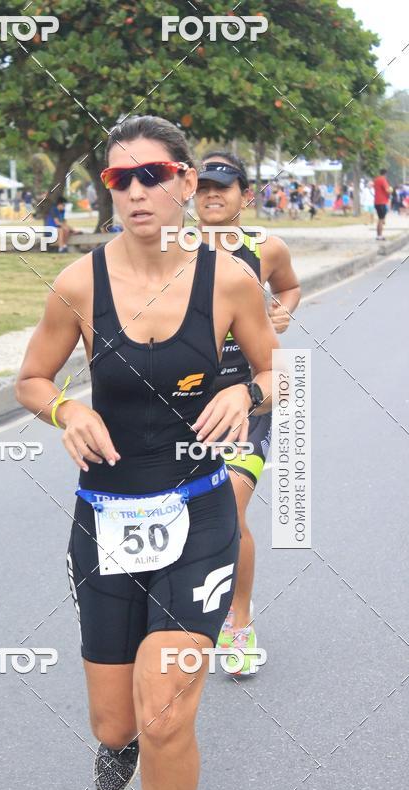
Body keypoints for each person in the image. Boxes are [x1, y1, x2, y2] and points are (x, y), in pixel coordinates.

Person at [16, 116, 278, 790]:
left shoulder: (229, 280)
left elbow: (278, 375)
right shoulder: (78, 284)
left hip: (198, 515)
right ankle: (117, 745)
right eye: (118, 179)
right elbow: (31, 379)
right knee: (117, 723)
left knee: (165, 711)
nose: (136, 191)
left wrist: (246, 390)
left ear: (187, 185)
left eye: (154, 174)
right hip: (106, 518)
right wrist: (67, 410)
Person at [194, 151, 301, 673]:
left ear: (244, 195)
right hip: (182, 401)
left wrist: (273, 322)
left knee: (228, 513)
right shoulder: (171, 249)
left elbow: (289, 287)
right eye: (203, 187)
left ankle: (238, 623)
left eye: (224, 186)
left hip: (247, 397)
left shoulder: (266, 248)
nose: (212, 195)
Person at [373, 168, 392, 240]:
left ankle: (378, 235)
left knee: (380, 219)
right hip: (382, 201)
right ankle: (380, 235)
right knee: (381, 219)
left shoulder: (376, 179)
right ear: (385, 174)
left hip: (377, 201)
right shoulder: (383, 180)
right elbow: (387, 190)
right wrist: (391, 190)